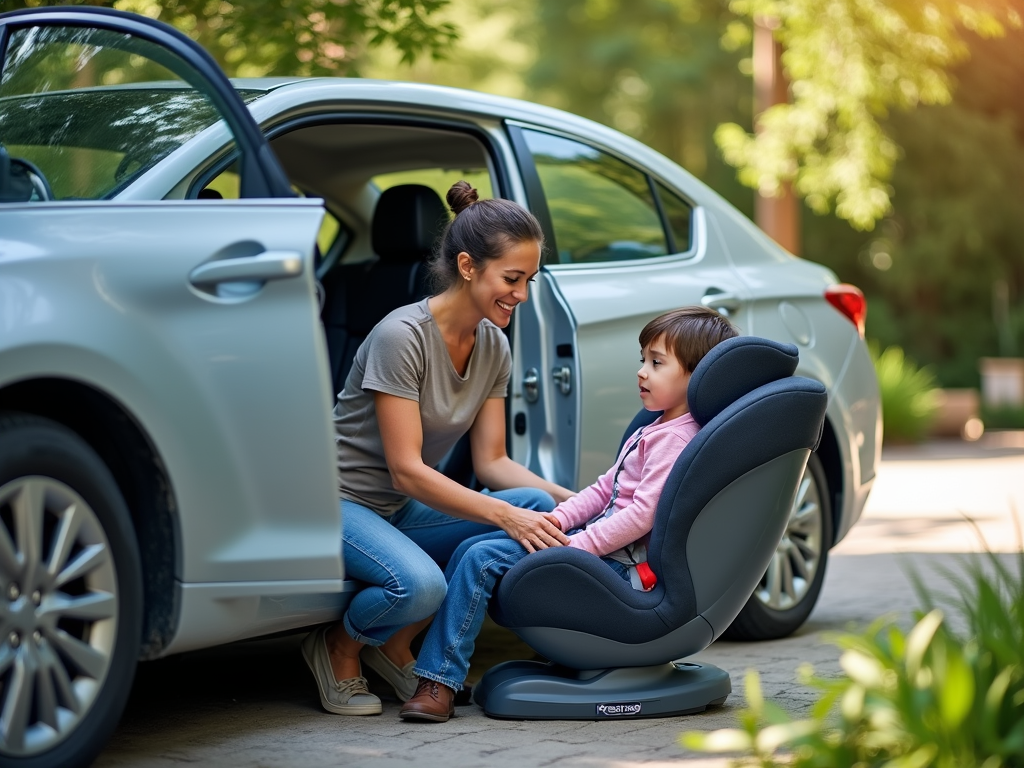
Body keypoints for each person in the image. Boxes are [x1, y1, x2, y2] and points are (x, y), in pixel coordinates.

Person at [302, 181, 575, 716]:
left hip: (398, 509)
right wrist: (503, 516)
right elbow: (406, 470)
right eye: (512, 279)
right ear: (469, 266)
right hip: (336, 500)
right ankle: (338, 647)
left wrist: (583, 499)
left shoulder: (494, 344)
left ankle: (399, 648)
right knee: (420, 586)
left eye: (529, 281)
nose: (521, 295)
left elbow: (492, 463)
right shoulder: (400, 336)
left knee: (540, 511)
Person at [398, 306, 738, 722]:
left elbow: (641, 516)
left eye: (656, 362)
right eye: (642, 360)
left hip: (619, 567)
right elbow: (601, 491)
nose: (641, 372)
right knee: (476, 544)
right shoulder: (654, 426)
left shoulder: (675, 438)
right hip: (601, 553)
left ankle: (438, 681)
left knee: (480, 558)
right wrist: (555, 522)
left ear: (696, 375)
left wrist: (574, 548)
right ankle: (442, 668)